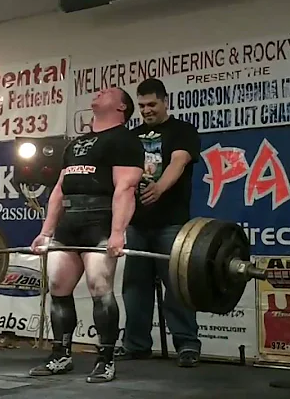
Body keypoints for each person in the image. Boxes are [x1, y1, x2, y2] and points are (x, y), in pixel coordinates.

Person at [27, 87, 144, 383]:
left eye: (108, 92)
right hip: (70, 223)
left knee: (99, 285)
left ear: (121, 108)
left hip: (100, 222)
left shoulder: (125, 140)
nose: (99, 93)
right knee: (57, 285)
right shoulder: (76, 144)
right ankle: (61, 354)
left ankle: (105, 360)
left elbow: (125, 188)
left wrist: (118, 233)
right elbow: (58, 190)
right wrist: (46, 232)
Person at [117, 78, 202, 367]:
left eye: (152, 104)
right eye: (141, 106)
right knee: (134, 287)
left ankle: (187, 345)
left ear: (166, 101)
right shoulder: (131, 136)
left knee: (176, 286)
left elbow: (178, 162)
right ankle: (136, 345)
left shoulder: (182, 131)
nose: (147, 110)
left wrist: (159, 188)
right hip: (137, 223)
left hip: (171, 223)